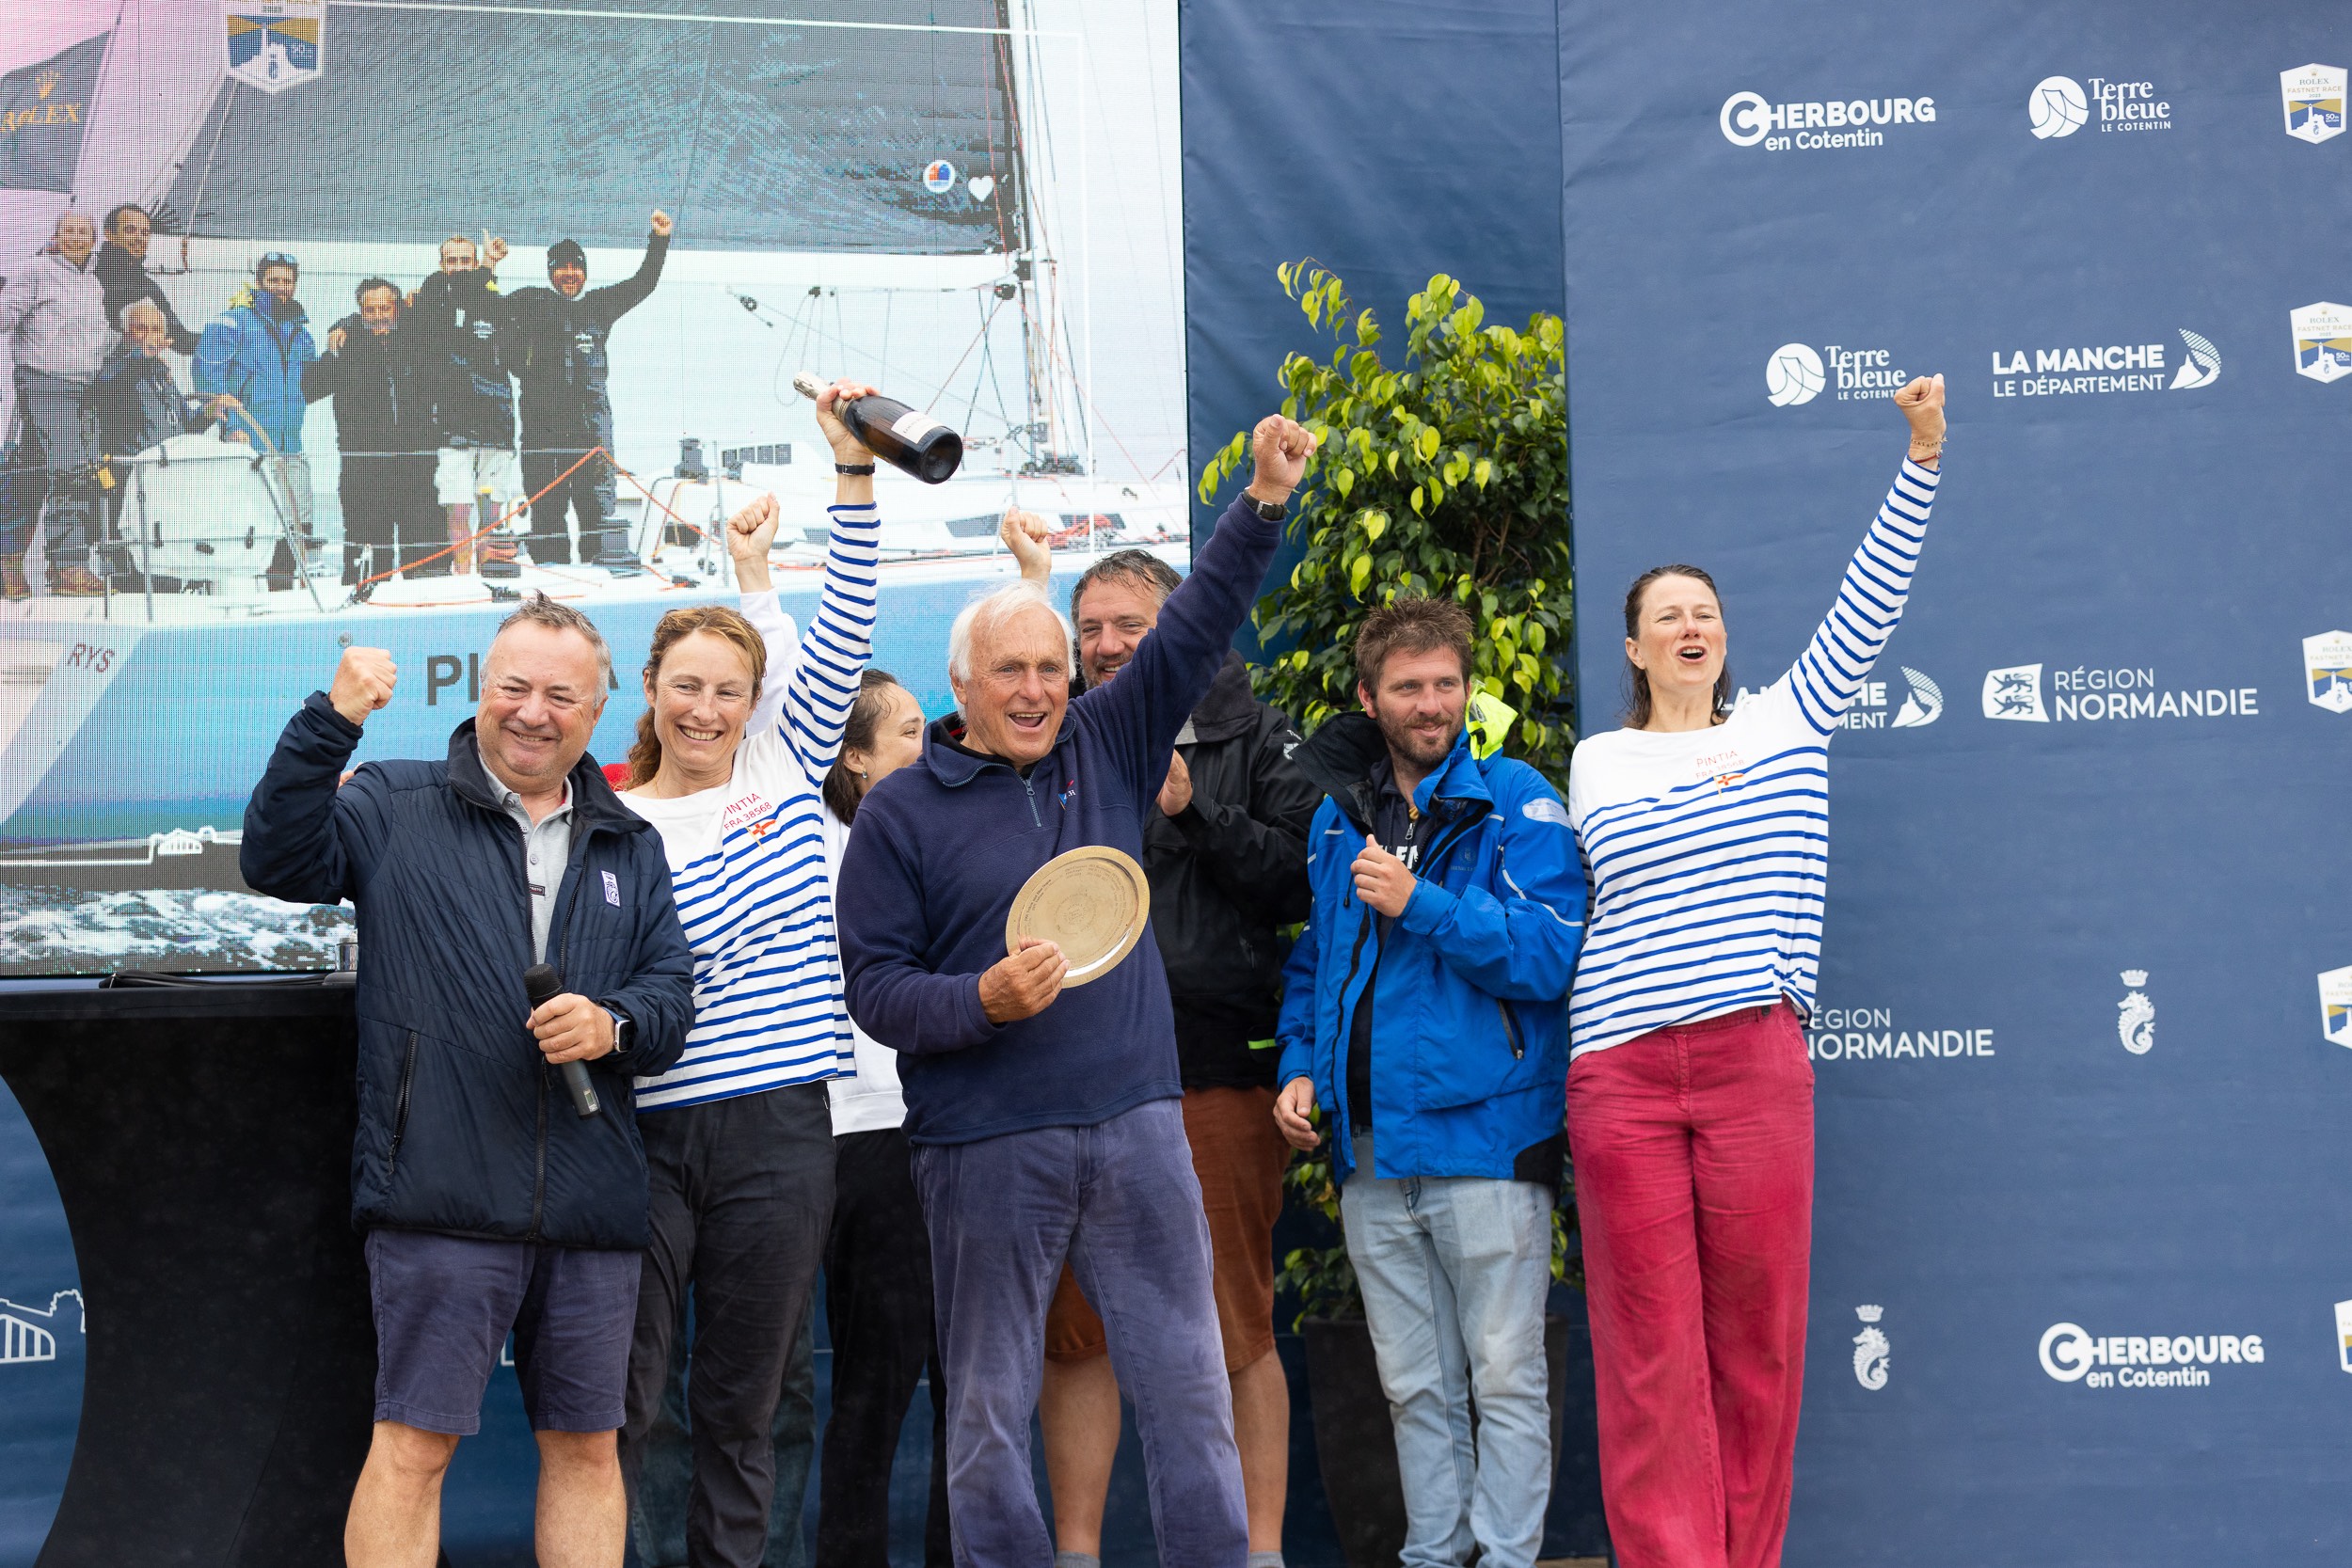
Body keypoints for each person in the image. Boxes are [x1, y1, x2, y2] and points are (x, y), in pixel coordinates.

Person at [834, 414, 1314, 1568]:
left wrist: (1260, 499)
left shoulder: (1108, 740)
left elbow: (1195, 620)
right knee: (989, 1406)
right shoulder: (900, 810)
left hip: (1141, 1123)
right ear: (963, 684)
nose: (1041, 687)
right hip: (983, 1139)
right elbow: (877, 991)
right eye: (1014, 668)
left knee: (1190, 1385)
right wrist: (981, 1003)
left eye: (1053, 666)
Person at [1563, 377, 1945, 1568]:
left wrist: (1920, 456)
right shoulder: (1596, 760)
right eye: (1667, 614)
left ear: (1724, 637)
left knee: (1758, 1344)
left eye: (1707, 612)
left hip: (1752, 1060)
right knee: (1648, 1350)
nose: (1691, 625)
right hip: (1619, 1072)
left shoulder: (1790, 719)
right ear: (1631, 645)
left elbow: (1866, 605)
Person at [239, 594, 696, 1568]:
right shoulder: (390, 801)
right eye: (514, 687)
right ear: (480, 690)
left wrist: (609, 1022)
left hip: (591, 1200)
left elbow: (668, 1000)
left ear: (601, 710)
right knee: (413, 1447)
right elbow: (276, 858)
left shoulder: (630, 842)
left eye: (561, 695)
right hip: (439, 1190)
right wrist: (334, 717)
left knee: (587, 1448)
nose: (534, 711)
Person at [612, 381, 882, 1568]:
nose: (709, 707)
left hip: (779, 1125)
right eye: (688, 686)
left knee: (744, 1403)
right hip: (643, 1129)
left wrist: (853, 475)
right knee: (632, 1401)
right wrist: (723, 917)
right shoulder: (610, 822)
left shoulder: (785, 760)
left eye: (730, 688)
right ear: (653, 694)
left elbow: (845, 626)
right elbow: (638, 978)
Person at [1271, 597, 1585, 1568]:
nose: (1431, 702)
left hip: (1488, 1140)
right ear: (1370, 698)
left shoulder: (1517, 798)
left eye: (1446, 682)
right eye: (1408, 686)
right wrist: (1295, 1066)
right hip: (1371, 1149)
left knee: (1504, 1376)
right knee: (1411, 1383)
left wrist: (1425, 903)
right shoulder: (1338, 818)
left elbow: (1548, 955)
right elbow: (1316, 960)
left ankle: (1501, 1554)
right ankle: (1433, 1552)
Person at [1038, 543, 1319, 1568]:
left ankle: (1260, 1553)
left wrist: (1191, 806)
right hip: (1065, 1080)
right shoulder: (1050, 735)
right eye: (1092, 628)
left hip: (1211, 1069)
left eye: (1130, 625)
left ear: (1183, 626)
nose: (1107, 646)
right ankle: (1075, 1552)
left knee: (1236, 1323)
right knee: (1075, 1333)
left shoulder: (1261, 734)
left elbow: (1298, 883)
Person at [506, 213, 672, 569]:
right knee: (546, 511)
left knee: (597, 508)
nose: (569, 274)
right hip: (542, 430)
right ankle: (551, 583)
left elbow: (644, 283)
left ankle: (602, 573)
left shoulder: (599, 305)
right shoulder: (529, 304)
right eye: (561, 268)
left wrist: (659, 240)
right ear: (550, 272)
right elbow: (486, 313)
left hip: (592, 428)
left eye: (575, 268)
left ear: (584, 272)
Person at [305, 277, 445, 591]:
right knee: (366, 549)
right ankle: (362, 603)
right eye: (370, 310)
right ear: (360, 313)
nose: (380, 316)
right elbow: (312, 389)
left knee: (421, 550)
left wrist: (413, 310)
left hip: (415, 463)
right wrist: (336, 344)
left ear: (398, 309)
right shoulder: (348, 344)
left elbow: (439, 329)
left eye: (386, 308)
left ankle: (422, 608)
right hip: (363, 465)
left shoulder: (416, 341)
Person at [0, 211, 111, 596]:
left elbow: (96, 342)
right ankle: (68, 565)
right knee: (72, 467)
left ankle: (9, 563)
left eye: (86, 232)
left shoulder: (93, 284)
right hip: (44, 380)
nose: (79, 237)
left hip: (83, 387)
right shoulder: (36, 271)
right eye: (71, 231)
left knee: (28, 470)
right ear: (54, 236)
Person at [194, 250, 320, 586]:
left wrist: (344, 336)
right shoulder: (232, 322)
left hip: (289, 440)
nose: (282, 287)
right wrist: (232, 427)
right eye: (274, 280)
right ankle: (237, 588)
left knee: (296, 519)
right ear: (260, 281)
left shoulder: (299, 330)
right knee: (251, 520)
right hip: (249, 441)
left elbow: (317, 379)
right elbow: (209, 382)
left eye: (288, 281)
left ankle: (285, 588)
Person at [413, 233, 519, 573]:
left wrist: (488, 270)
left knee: (491, 511)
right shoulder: (431, 301)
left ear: (475, 264)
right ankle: (461, 575)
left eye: (465, 261)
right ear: (441, 266)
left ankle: (489, 574)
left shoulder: (497, 303)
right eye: (451, 261)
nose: (458, 268)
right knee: (458, 511)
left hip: (496, 423)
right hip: (452, 426)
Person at [93, 202, 199, 351]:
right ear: (110, 234)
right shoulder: (91, 276)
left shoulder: (145, 284)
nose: (140, 238)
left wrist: (230, 336)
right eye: (130, 230)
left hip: (133, 368)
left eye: (145, 232)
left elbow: (180, 339)